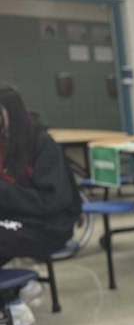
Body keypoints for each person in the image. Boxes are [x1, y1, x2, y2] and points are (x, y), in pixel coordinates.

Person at [0, 86, 82, 268]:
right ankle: (11, 290)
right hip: (13, 221)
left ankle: (16, 288)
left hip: (48, 226)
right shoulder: (3, 145)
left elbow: (51, 202)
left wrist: (4, 192)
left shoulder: (41, 144)